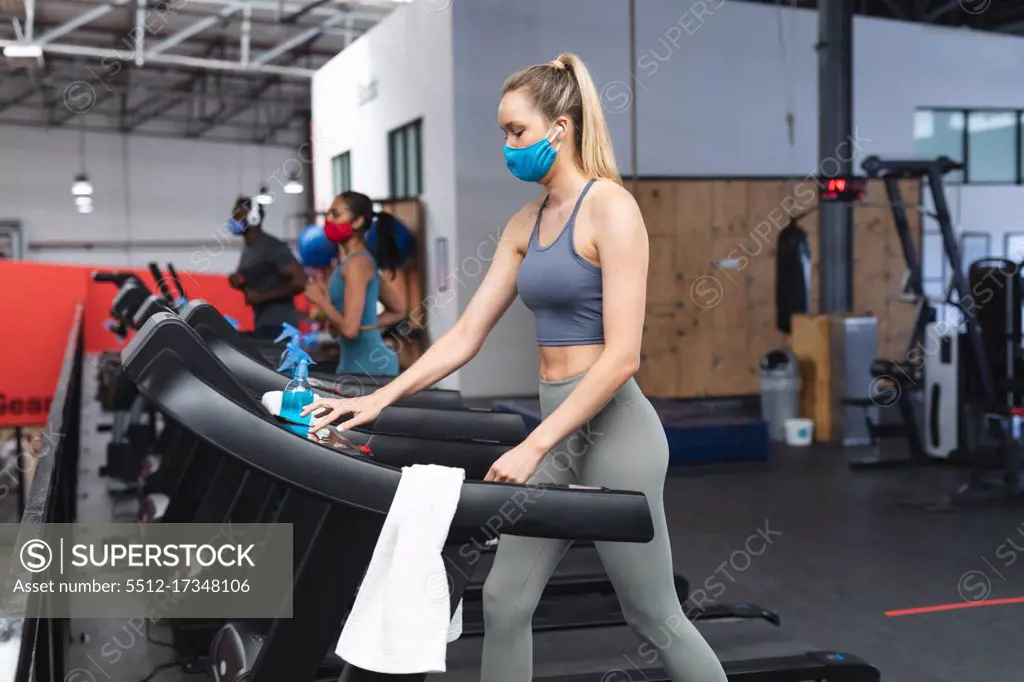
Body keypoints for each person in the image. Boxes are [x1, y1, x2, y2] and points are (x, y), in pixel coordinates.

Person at [302, 53, 727, 682]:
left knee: (652, 614)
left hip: (616, 434)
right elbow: (466, 335)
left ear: (560, 127)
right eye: (503, 133)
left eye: (516, 132)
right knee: (504, 601)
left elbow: (623, 357)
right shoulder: (524, 223)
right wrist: (378, 399)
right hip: (555, 425)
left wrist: (534, 445)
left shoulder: (611, 208)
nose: (507, 146)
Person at [303, 191, 408, 376]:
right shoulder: (357, 261)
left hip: (367, 366)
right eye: (328, 214)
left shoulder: (357, 264)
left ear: (358, 222)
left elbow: (350, 330)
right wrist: (365, 325)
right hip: (356, 362)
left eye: (336, 214)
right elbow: (398, 309)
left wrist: (321, 301)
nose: (328, 220)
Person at [227, 196, 307, 339]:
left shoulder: (272, 247)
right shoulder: (249, 248)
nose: (234, 219)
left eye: (239, 215)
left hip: (280, 324)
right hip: (262, 322)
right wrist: (239, 283)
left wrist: (262, 297)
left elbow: (300, 282)